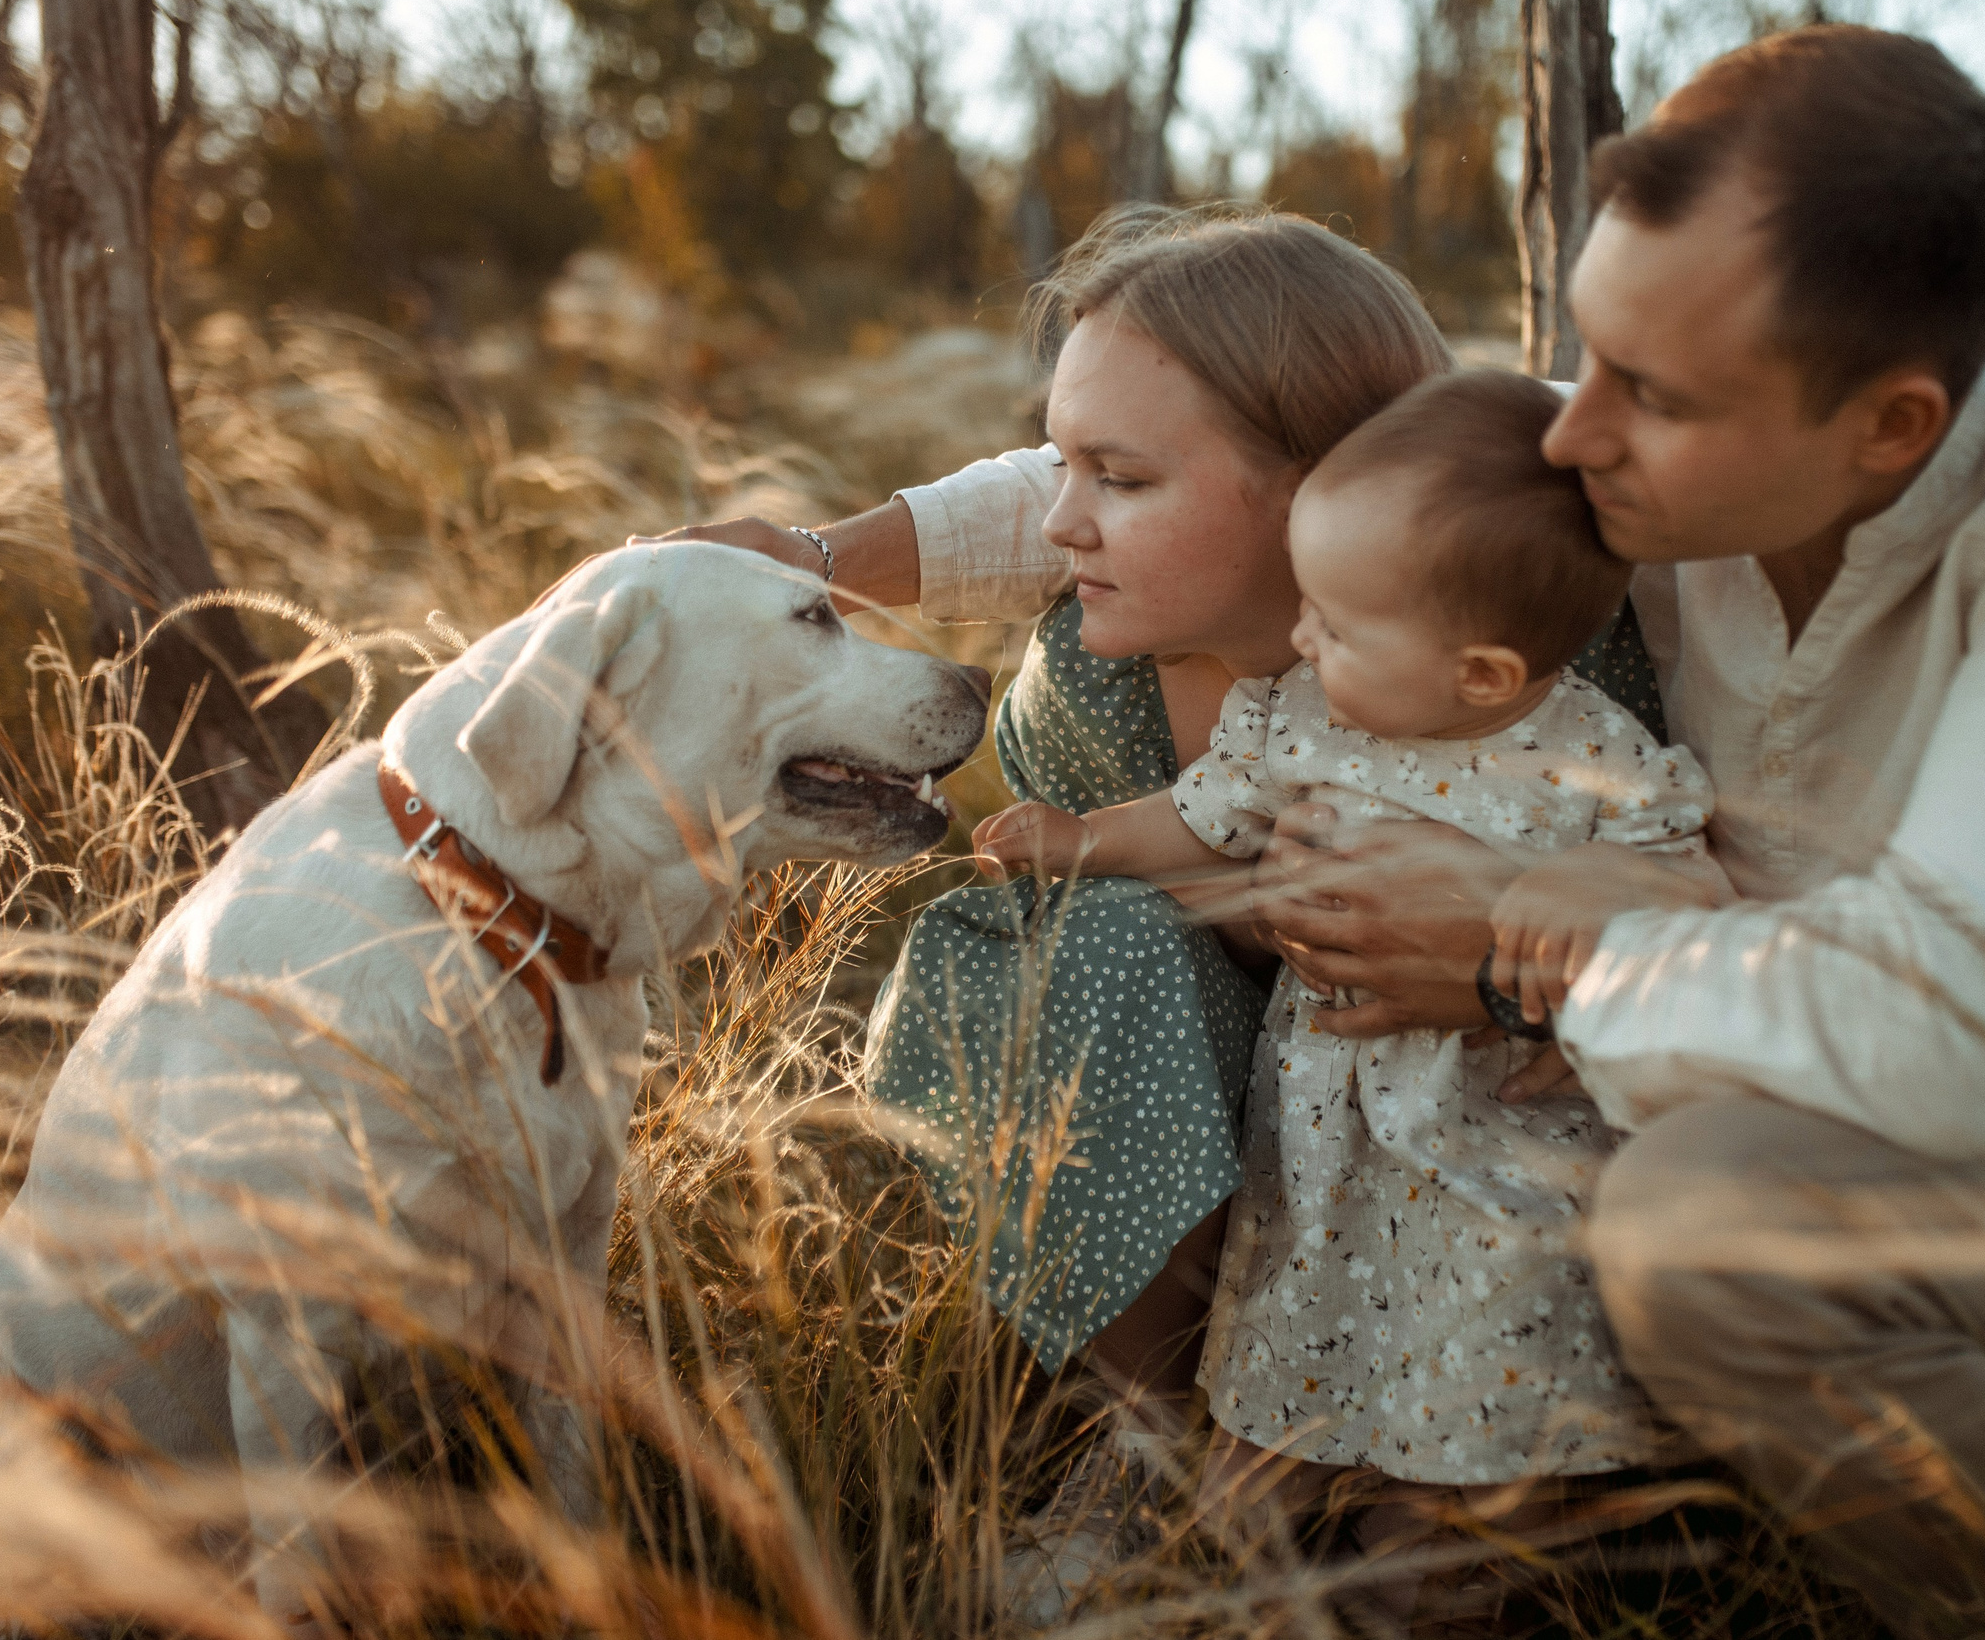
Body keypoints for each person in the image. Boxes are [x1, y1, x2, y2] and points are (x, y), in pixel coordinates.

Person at [1242, 25, 1985, 1637]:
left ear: (1891, 428)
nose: (1568, 429)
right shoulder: (1658, 464)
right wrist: (868, 550)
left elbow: (1947, 1030)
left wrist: (1539, 952)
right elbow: (1238, 455)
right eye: (1587, 353)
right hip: (1972, 1227)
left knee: (1709, 1219)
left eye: (1648, 393)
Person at [660, 208, 1669, 1609]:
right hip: (1249, 1082)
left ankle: (1467, 1500)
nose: (1064, 516)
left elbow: (1668, 850)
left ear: (1331, 483)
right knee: (1065, 954)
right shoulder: (1095, 665)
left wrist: (1583, 907)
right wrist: (820, 555)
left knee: (1444, 1509)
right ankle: (1152, 1441)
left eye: (1118, 479)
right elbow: (1067, 487)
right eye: (1063, 464)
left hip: (1470, 1123)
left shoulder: (1522, 636)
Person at [972, 370, 1717, 1585]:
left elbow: (1678, 878)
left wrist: (1601, 912)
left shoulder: (1593, 757)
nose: (1302, 635)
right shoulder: (1298, 715)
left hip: (1499, 1171)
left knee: (1474, 1465)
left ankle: (1444, 1567)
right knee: (1254, 1466)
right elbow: (1199, 816)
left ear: (1479, 673)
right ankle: (1228, 1563)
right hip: (1324, 1166)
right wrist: (1080, 837)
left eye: (1336, 619)